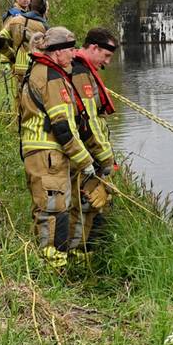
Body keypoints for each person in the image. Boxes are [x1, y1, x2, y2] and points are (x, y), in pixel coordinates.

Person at [18, 26, 97, 269]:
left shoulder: (39, 70)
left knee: (50, 210)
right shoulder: (51, 77)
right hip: (48, 155)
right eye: (70, 49)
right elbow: (62, 126)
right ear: (57, 51)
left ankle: (54, 265)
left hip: (41, 153)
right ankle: (54, 269)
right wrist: (85, 161)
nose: (74, 54)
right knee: (53, 213)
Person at [66, 27, 120, 255]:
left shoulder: (84, 71)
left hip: (89, 153)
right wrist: (106, 160)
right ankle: (79, 256)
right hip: (86, 155)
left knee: (93, 205)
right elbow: (87, 121)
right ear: (94, 48)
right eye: (106, 56)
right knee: (85, 206)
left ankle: (88, 254)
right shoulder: (80, 74)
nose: (107, 62)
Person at [0, 0, 48, 89]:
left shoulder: (15, 20)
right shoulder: (44, 27)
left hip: (19, 68)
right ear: (43, 10)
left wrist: (12, 57)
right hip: (36, 68)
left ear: (30, 6)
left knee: (20, 95)